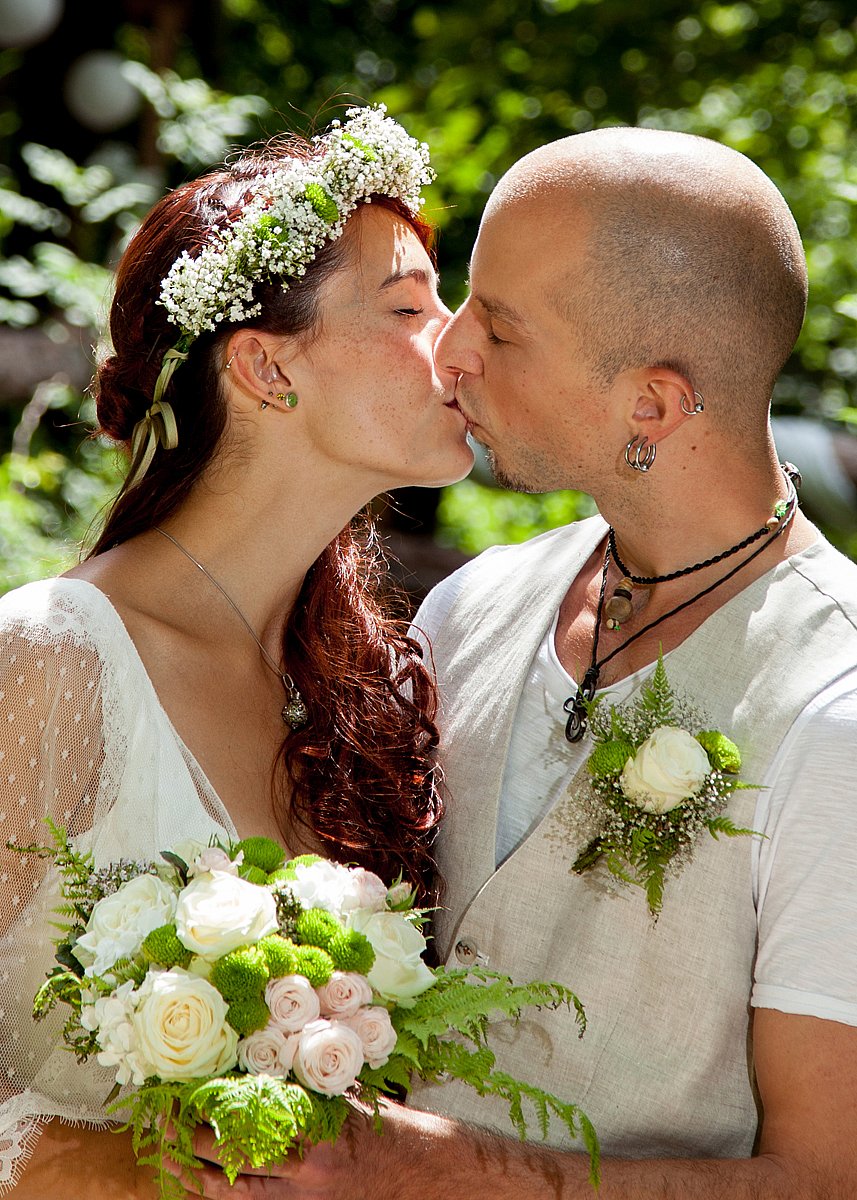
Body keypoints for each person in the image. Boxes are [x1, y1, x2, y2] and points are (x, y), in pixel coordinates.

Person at [251, 127, 857, 1198]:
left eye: (499, 325)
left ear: (650, 405)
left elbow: (822, 1178)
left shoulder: (833, 709)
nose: (449, 351)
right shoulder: (469, 606)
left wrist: (439, 1172)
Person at [0, 103, 474, 1197]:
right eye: (409, 307)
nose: (458, 341)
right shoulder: (51, 659)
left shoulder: (367, 688)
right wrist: (118, 1165)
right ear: (265, 367)